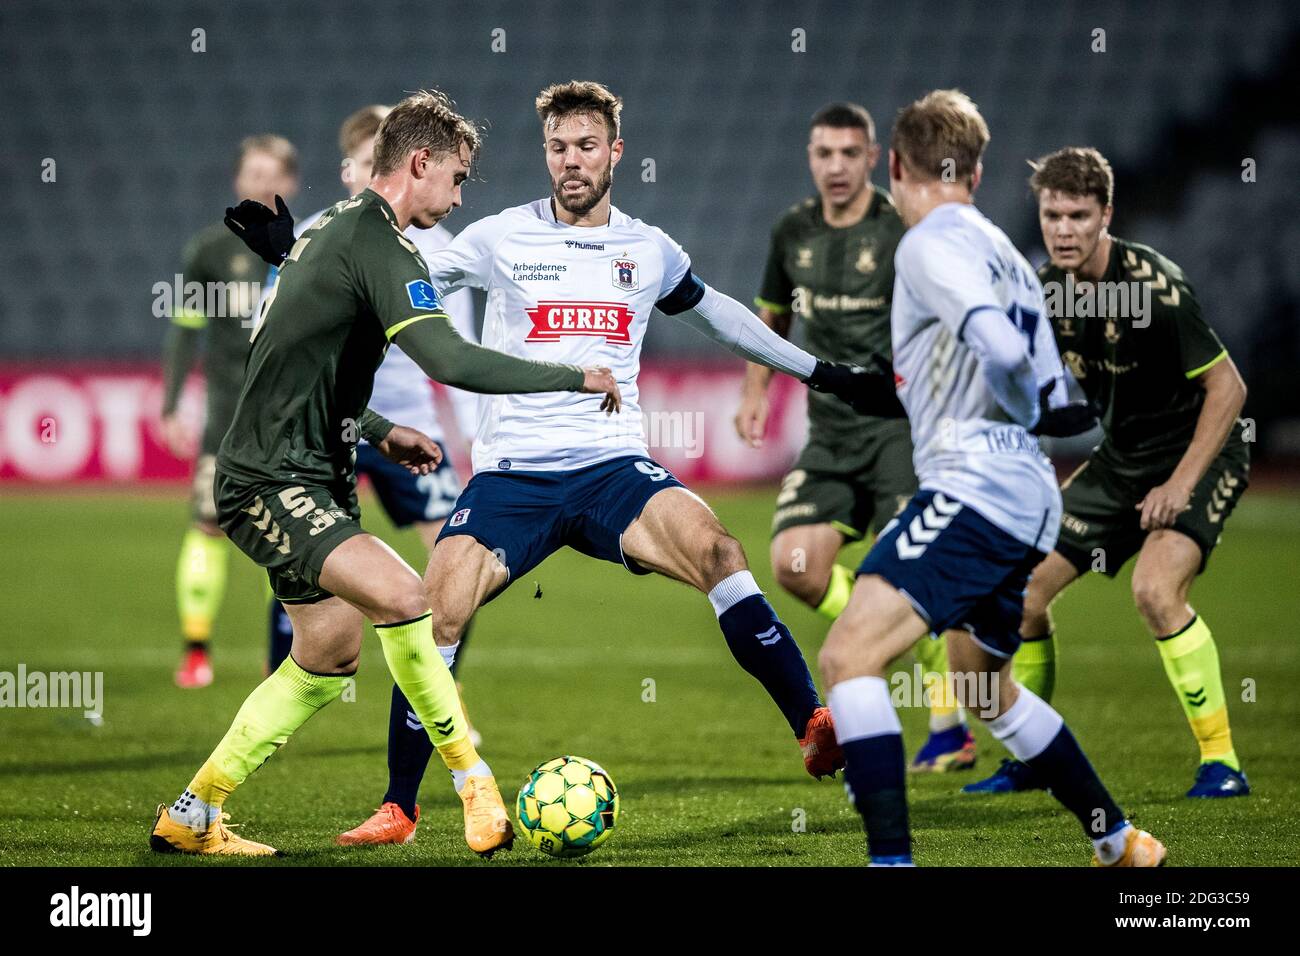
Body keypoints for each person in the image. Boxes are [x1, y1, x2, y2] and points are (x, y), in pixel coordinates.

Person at [149, 89, 622, 858]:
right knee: (409, 597)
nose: (462, 194)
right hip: (272, 475)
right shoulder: (380, 243)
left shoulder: (334, 229)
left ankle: (193, 814)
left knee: (329, 654)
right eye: (459, 176)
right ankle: (476, 787)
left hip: (314, 465)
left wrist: (379, 429)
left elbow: (303, 368)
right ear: (420, 162)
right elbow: (450, 359)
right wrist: (573, 376)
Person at [817, 90, 1165, 866]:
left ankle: (891, 860)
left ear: (893, 166)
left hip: (975, 485)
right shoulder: (1003, 247)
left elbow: (1005, 355)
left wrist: (1013, 402)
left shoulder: (926, 244)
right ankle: (1118, 839)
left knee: (848, 658)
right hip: (1027, 491)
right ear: (974, 173)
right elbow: (1048, 387)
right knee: (981, 687)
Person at [962, 146, 1251, 799]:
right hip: (1122, 459)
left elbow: (1228, 390)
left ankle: (1223, 764)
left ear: (1106, 215)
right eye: (1052, 215)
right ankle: (1036, 757)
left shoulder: (1153, 287)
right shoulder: (1044, 289)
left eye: (1078, 216)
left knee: (1154, 591)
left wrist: (1180, 486)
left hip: (1197, 453)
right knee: (1025, 592)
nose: (1063, 230)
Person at [735, 101, 975, 773]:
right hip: (832, 432)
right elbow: (770, 319)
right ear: (810, 159)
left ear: (873, 159)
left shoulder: (903, 228)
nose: (835, 166)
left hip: (901, 430)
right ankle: (903, 636)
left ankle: (948, 727)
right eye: (823, 153)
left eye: (849, 154)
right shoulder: (793, 231)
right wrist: (754, 392)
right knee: (792, 565)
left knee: (906, 571)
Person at [160, 135, 299, 688]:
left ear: (288, 182)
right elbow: (184, 332)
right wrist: (171, 404)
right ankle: (196, 649)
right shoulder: (208, 250)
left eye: (271, 174)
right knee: (207, 528)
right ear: (237, 179)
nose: (259, 183)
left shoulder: (306, 246)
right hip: (224, 420)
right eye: (251, 172)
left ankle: (284, 654)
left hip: (286, 422)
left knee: (290, 541)